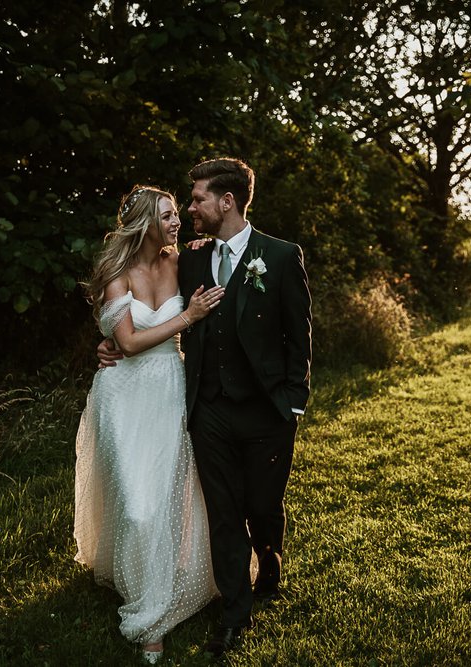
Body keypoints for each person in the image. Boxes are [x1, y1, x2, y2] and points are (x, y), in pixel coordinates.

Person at [98, 158, 312, 658]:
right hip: (206, 407)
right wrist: (109, 346)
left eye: (196, 200)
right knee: (222, 512)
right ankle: (236, 615)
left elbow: (298, 336)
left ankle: (270, 558)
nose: (191, 208)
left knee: (262, 506)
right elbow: (133, 317)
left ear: (227, 201)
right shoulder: (189, 258)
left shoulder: (279, 257)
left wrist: (293, 404)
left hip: (266, 410)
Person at [73, 185, 225, 664]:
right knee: (136, 502)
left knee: (167, 492)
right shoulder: (117, 273)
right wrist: (190, 318)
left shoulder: (182, 262)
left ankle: (159, 597)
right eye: (168, 215)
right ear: (144, 221)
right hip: (124, 393)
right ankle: (146, 602)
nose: (177, 221)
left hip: (169, 389)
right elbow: (131, 342)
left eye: (178, 213)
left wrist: (202, 252)